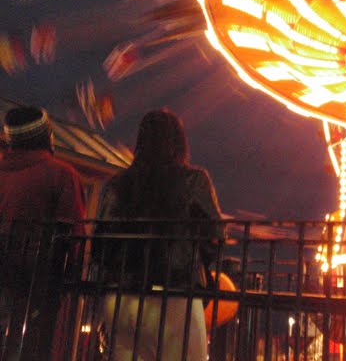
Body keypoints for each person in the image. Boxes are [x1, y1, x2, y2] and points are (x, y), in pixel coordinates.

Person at [95, 109, 223, 361]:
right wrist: (198, 260)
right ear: (179, 142)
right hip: (174, 293)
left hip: (121, 294)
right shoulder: (194, 180)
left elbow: (101, 243)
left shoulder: (116, 185)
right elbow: (215, 235)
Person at [0, 106, 86, 360]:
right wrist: (71, 276)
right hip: (34, 287)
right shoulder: (61, 174)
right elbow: (74, 235)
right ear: (45, 136)